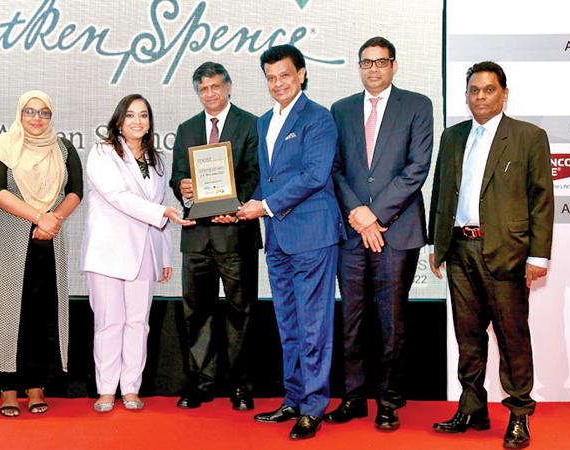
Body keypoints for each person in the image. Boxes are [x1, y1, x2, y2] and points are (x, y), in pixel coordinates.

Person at [428, 61, 553, 449]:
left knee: (512, 337)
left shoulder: (528, 136)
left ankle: (518, 414)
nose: (480, 96)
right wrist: (436, 244)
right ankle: (472, 408)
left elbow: (542, 200)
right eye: (474, 90)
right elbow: (441, 192)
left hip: (506, 253)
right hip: (460, 249)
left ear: (504, 93)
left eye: (488, 90)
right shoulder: (453, 137)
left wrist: (538, 257)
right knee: (468, 336)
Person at [237, 44, 344, 440]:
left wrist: (264, 206)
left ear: (301, 74)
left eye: (285, 75)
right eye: (271, 77)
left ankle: (314, 406)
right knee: (288, 321)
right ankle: (294, 397)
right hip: (278, 237)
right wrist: (233, 200)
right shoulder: (264, 121)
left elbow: (316, 175)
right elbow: (266, 178)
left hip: (313, 235)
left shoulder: (318, 118)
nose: (278, 83)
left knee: (314, 322)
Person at [326, 36, 434, 431]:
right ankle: (353, 398)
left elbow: (417, 168)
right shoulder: (341, 110)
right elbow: (334, 169)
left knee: (392, 321)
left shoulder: (418, 105)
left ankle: (388, 401)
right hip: (353, 233)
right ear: (359, 67)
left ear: (394, 65)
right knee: (351, 320)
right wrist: (359, 214)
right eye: (366, 63)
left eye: (380, 62)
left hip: (396, 231)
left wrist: (376, 214)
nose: (373, 69)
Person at [81, 94, 194, 413]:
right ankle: (105, 389)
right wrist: (163, 213)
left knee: (137, 323)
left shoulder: (156, 160)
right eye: (130, 115)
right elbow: (118, 197)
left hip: (145, 252)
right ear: (119, 120)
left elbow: (160, 212)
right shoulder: (102, 153)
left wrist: (165, 256)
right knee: (108, 322)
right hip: (107, 252)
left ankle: (130, 387)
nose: (137, 121)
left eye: (143, 116)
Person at [0, 90, 83, 417]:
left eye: (44, 113)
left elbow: (76, 190)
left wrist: (53, 220)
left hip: (50, 240)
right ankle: (7, 389)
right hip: (12, 239)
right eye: (30, 112)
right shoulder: (1, 146)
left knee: (44, 313)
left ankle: (37, 385)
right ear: (19, 114)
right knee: (9, 312)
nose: (37, 119)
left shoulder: (64, 148)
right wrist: (40, 217)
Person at [170, 61, 262, 411]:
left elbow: (256, 173)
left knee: (242, 312)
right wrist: (183, 186)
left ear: (228, 87)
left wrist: (235, 204)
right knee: (197, 312)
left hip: (235, 233)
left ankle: (241, 386)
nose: (210, 94)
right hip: (197, 237)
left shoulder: (250, 124)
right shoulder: (187, 128)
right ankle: (201, 384)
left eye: (215, 87)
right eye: (203, 89)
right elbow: (178, 174)